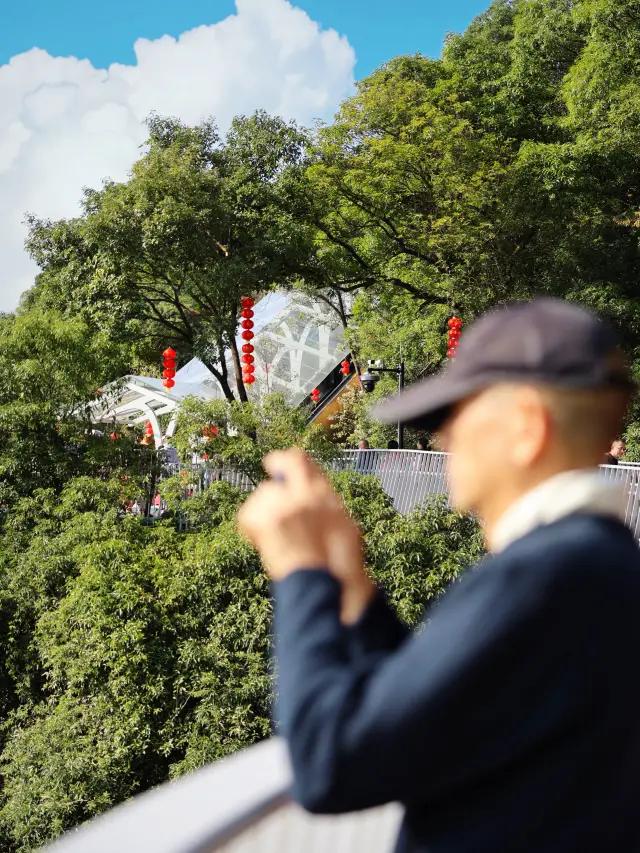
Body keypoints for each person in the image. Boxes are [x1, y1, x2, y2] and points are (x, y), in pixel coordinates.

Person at [239, 298, 640, 853]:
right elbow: (424, 712)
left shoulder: (544, 577)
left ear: (526, 427)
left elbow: (329, 760)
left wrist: (299, 571)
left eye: (454, 417)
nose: (440, 441)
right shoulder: (602, 564)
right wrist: (349, 584)